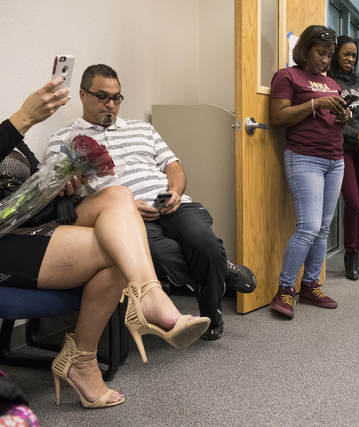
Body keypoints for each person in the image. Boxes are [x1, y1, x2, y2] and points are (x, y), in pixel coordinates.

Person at [0, 78, 210, 409]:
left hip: (39, 225)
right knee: (118, 251)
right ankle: (82, 360)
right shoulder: (10, 130)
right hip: (7, 243)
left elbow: (33, 196)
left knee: (118, 194)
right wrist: (24, 117)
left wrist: (64, 184)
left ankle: (149, 295)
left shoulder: (11, 139)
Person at [47, 64, 256, 342]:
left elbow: (173, 166)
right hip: (124, 217)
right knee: (161, 254)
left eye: (117, 98)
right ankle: (221, 268)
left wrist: (175, 191)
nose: (111, 104)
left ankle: (212, 312)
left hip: (170, 204)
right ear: (82, 95)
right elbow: (55, 187)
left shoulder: (142, 129)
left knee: (203, 242)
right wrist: (121, 205)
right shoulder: (64, 139)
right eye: (102, 97)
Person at [269, 25, 349, 318]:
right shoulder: (286, 75)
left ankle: (310, 286)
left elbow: (335, 123)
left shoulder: (331, 82)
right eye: (320, 53)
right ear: (304, 50)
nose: (325, 59)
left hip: (335, 159)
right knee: (309, 226)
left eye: (329, 55)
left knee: (324, 227)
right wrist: (315, 103)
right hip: (305, 158)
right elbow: (278, 117)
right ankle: (285, 290)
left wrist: (343, 115)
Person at [327, 36, 359, 281]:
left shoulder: (357, 83)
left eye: (354, 56)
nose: (350, 59)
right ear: (336, 53)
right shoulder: (329, 82)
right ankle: (349, 255)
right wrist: (355, 134)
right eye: (346, 54)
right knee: (353, 203)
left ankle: (356, 254)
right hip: (344, 148)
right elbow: (332, 119)